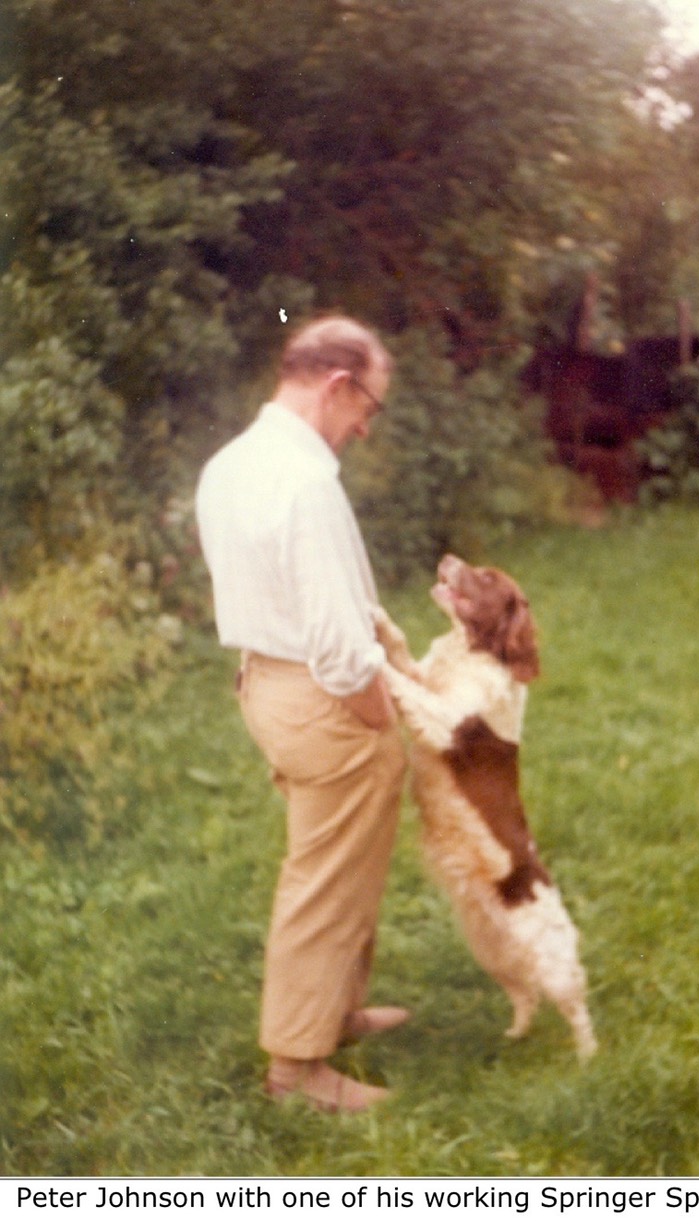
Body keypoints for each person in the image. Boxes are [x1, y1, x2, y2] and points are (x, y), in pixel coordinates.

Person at [195, 316, 408, 1113]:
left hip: (268, 687)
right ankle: (297, 1070)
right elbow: (334, 639)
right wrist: (377, 711)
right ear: (337, 384)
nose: (364, 426)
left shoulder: (232, 463)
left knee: (342, 861)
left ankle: (334, 1012)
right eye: (369, 408)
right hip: (325, 695)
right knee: (324, 878)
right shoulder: (305, 481)